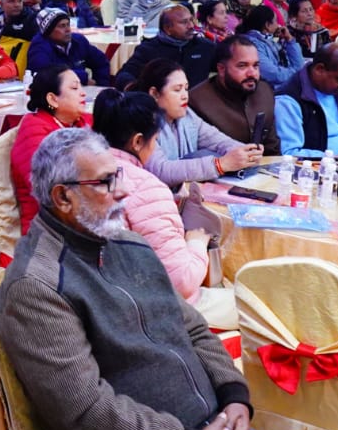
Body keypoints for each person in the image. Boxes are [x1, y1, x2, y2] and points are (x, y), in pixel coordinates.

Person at [0, 128, 338, 430]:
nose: (123, 191)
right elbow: (84, 412)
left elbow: (193, 328)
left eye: (118, 175)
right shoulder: (37, 287)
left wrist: (234, 401)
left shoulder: (128, 244)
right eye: (106, 182)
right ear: (63, 197)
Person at [93, 89, 238, 329]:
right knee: (255, 303)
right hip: (144, 311)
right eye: (155, 141)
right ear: (138, 141)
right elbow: (182, 282)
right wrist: (196, 243)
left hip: (95, 298)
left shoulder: (76, 172)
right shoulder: (145, 186)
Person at [136, 59, 260, 187]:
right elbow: (161, 170)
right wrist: (220, 165)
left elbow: (218, 141)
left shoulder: (188, 116)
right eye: (177, 90)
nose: (185, 96)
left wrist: (245, 152)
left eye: (186, 88)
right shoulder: (142, 122)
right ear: (154, 94)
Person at [10, 65, 92, 240]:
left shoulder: (80, 122)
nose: (83, 93)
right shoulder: (34, 130)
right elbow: (48, 190)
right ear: (53, 99)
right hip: (49, 227)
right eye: (74, 88)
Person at [189, 36, 280, 155]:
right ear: (221, 69)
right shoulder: (197, 101)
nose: (252, 73)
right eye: (242, 66)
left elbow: (272, 147)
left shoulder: (264, 91)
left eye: (255, 66)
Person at [273, 44, 338, 158]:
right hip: (315, 167)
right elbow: (289, 152)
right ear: (319, 69)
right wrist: (335, 158)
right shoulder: (288, 100)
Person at [117, 4, 215, 89]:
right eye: (184, 22)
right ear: (167, 28)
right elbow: (124, 75)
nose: (191, 26)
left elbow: (222, 67)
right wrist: (133, 88)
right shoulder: (148, 49)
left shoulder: (205, 47)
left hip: (197, 101)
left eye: (191, 20)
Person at [27, 8, 111, 87]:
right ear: (48, 31)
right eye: (62, 26)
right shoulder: (38, 47)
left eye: (68, 25)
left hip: (82, 91)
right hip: (54, 93)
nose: (68, 30)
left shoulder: (78, 41)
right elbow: (46, 75)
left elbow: (102, 62)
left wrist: (100, 86)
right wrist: (82, 78)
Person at [237, 4, 304, 91]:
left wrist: (289, 40)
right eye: (276, 21)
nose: (278, 25)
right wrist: (296, 74)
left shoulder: (271, 40)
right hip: (270, 92)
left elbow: (299, 64)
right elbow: (274, 75)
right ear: (267, 25)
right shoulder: (252, 46)